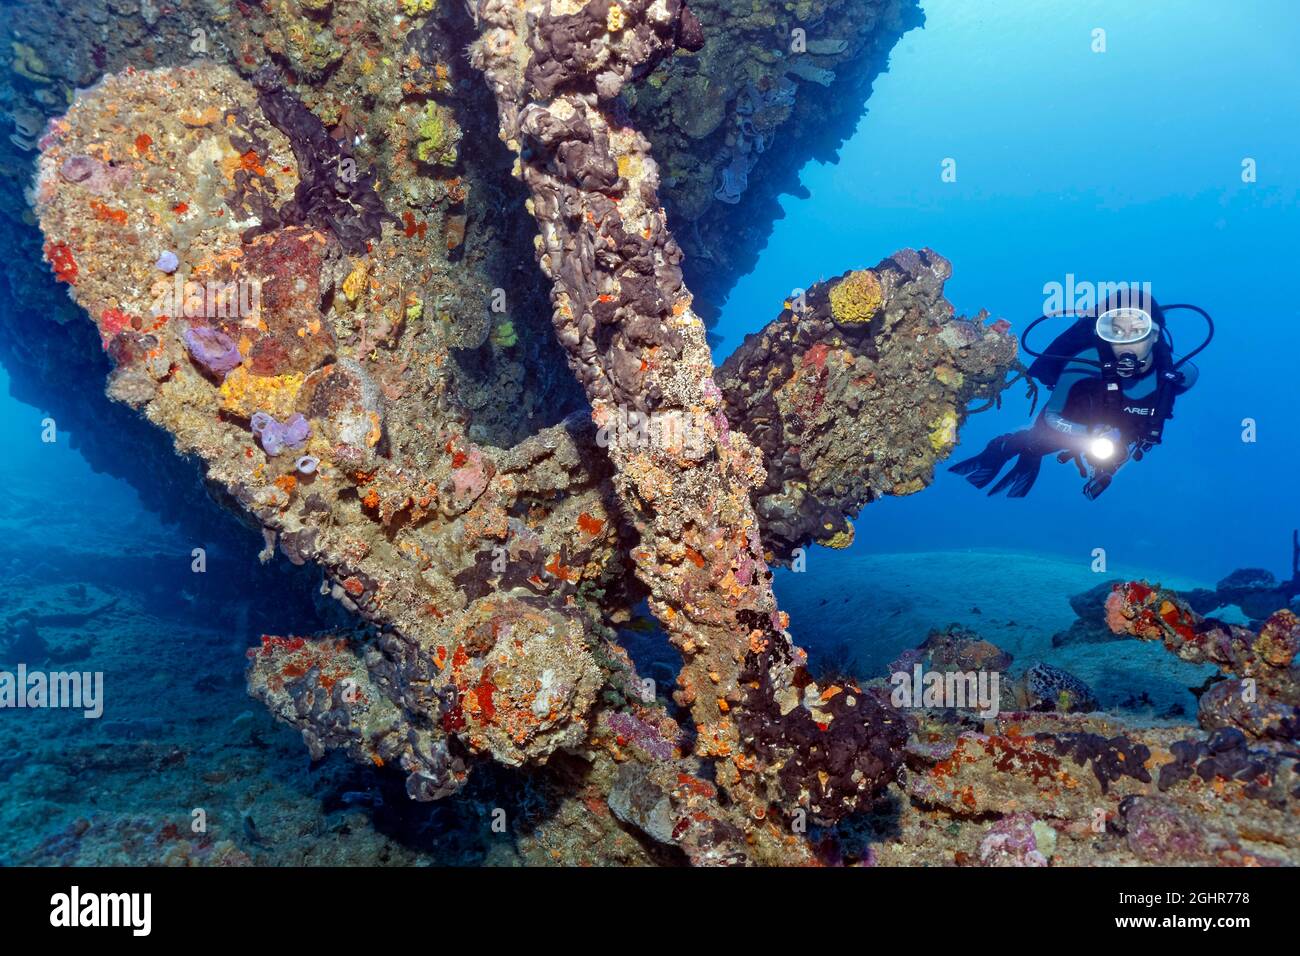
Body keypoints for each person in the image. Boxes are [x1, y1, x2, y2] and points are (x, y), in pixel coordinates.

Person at [949, 294, 1207, 499]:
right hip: (1070, 420)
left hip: (1109, 435)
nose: (1126, 342)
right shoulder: (1084, 363)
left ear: (1155, 335)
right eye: (1115, 331)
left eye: (1137, 330)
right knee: (1037, 445)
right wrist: (1089, 436)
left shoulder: (1176, 375)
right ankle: (1003, 448)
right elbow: (1052, 416)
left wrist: (1108, 459)